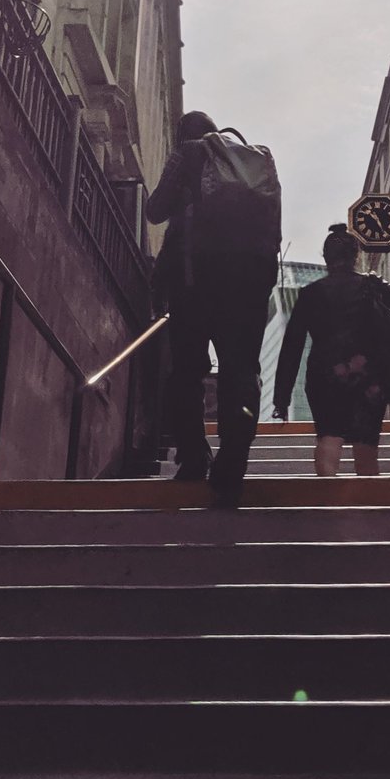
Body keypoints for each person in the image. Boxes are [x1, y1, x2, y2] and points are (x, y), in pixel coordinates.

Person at [147, 111, 280, 506]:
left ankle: (193, 457)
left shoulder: (188, 153)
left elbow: (155, 209)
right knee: (242, 369)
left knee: (187, 370)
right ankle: (234, 459)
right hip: (251, 284)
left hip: (195, 280)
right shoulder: (257, 162)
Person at [272, 224, 390, 477]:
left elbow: (292, 346)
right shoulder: (370, 286)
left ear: (325, 257)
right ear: (356, 256)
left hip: (324, 375)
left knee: (329, 435)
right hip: (367, 375)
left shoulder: (310, 294)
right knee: (366, 443)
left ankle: (329, 501)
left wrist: (281, 399)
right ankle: (365, 506)